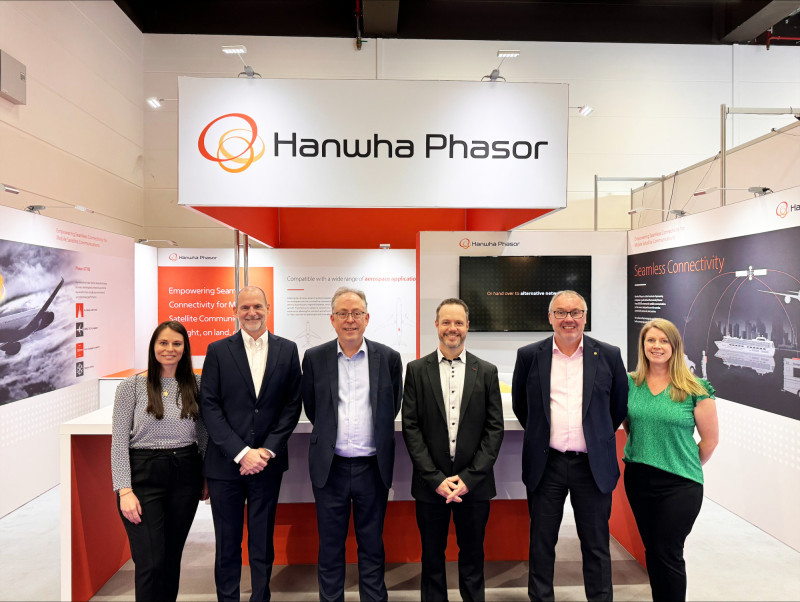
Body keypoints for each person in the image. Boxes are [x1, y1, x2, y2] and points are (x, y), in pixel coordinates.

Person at [512, 290, 628, 602]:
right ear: (550, 317)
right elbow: (522, 406)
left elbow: (618, 407)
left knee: (596, 545)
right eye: (561, 312)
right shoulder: (529, 355)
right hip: (546, 465)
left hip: (592, 467)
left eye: (576, 312)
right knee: (541, 544)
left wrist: (595, 437)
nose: (569, 319)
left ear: (585, 317)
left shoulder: (609, 355)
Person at [200, 286, 302, 602]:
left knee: (262, 540)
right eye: (245, 307)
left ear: (268, 308)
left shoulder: (288, 350)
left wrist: (266, 450)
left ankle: (261, 596)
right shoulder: (218, 350)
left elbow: (292, 405)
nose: (251, 312)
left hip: (267, 464)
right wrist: (242, 452)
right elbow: (209, 406)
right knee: (227, 542)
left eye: (257, 306)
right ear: (235, 312)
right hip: (225, 464)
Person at [301, 287, 403, 602]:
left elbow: (391, 406)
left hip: (372, 467)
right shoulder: (315, 358)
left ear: (367, 318)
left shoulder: (388, 358)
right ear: (332, 319)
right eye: (343, 313)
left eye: (356, 313)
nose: (350, 320)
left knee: (371, 545)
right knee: (330, 546)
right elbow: (313, 407)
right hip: (330, 468)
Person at [402, 298, 504, 601]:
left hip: (474, 486)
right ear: (436, 325)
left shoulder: (486, 371)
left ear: (467, 326)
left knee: (473, 557)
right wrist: (435, 479)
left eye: (458, 322)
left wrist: (469, 479)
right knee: (431, 558)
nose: (452, 328)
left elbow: (494, 430)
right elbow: (411, 428)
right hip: (430, 485)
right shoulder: (416, 370)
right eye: (446, 322)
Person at [111, 320, 208, 601]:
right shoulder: (131, 387)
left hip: (185, 474)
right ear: (153, 346)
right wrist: (124, 490)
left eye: (177, 343)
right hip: (143, 476)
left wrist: (205, 477)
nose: (169, 349)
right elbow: (118, 441)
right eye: (163, 343)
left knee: (170, 558)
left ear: (185, 348)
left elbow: (204, 434)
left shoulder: (197, 385)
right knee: (150, 562)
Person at [623, 318, 718, 602]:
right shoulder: (630, 383)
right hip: (638, 478)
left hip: (680, 484)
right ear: (642, 345)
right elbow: (631, 427)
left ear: (675, 346)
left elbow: (710, 441)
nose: (657, 346)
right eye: (651, 340)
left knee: (668, 552)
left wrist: (682, 465)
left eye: (664, 341)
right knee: (652, 550)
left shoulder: (695, 388)